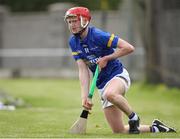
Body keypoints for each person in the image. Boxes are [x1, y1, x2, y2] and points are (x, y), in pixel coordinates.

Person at [64, 6, 176, 134]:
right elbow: (83, 70)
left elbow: (128, 47)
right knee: (119, 130)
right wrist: (84, 97)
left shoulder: (98, 36)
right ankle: (155, 127)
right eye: (70, 21)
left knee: (109, 94)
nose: (72, 25)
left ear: (84, 20)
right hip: (102, 84)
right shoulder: (73, 42)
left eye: (75, 21)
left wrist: (107, 58)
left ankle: (134, 117)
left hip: (117, 75)